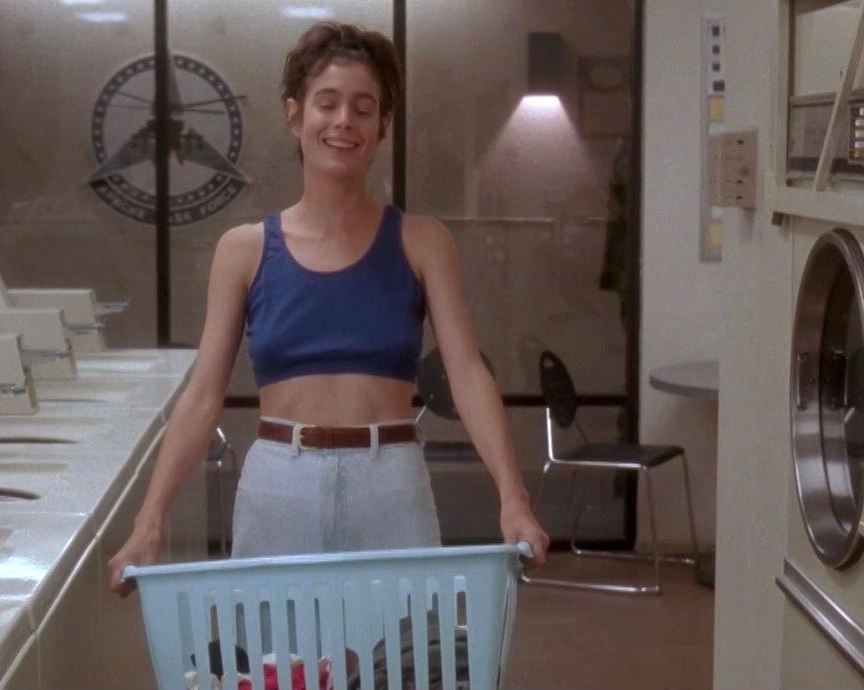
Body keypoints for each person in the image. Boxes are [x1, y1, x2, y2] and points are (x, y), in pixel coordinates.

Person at [108, 21, 548, 594]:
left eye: (364, 108)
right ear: (295, 116)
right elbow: (203, 396)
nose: (344, 121)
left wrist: (513, 498)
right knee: (274, 647)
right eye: (327, 104)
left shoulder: (423, 242)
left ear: (383, 125)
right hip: (278, 486)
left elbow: (466, 373)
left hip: (392, 486)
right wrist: (149, 523)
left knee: (397, 646)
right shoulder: (243, 250)